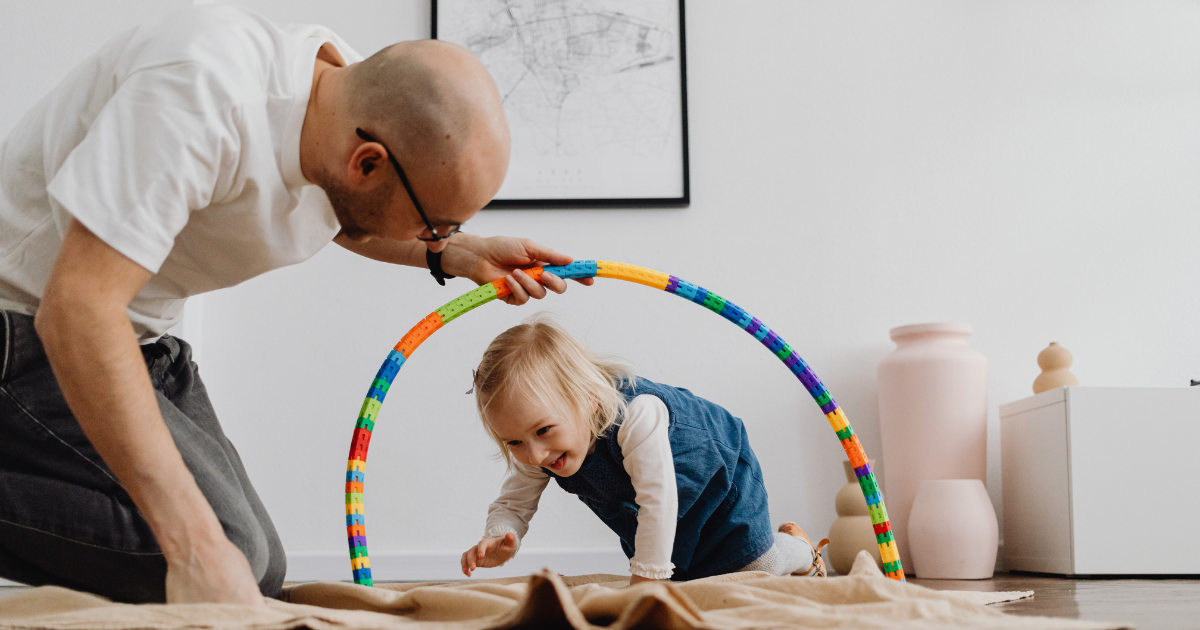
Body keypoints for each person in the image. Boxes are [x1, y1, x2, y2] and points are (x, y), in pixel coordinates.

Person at [0, 5, 590, 605]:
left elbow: (339, 212)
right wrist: (194, 548)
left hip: (143, 338)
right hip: (27, 330)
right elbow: (76, 312)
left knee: (259, 567)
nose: (433, 237)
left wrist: (458, 253)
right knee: (216, 554)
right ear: (368, 164)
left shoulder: (343, 105)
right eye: (433, 225)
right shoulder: (197, 95)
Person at [459, 316, 828, 584]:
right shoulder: (540, 445)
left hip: (721, 478)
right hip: (662, 509)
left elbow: (658, 499)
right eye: (514, 443)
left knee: (753, 567)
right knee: (690, 580)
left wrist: (647, 579)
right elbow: (514, 502)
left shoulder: (638, 415)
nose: (535, 454)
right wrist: (500, 534)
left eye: (543, 431)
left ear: (587, 399)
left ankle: (797, 549)